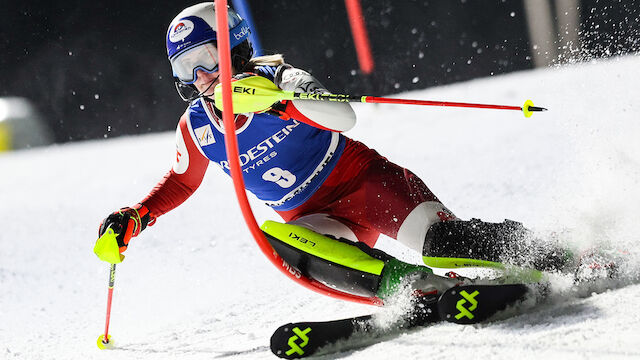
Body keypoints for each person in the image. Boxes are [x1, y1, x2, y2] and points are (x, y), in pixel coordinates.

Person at [96, 2, 573, 301]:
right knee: (278, 238)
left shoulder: (277, 77)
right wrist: (134, 217)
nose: (200, 78)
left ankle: (564, 254)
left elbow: (343, 118)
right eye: (186, 68)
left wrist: (282, 103)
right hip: (316, 219)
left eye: (206, 60)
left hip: (364, 183)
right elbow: (182, 181)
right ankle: (408, 288)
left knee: (444, 245)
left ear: (235, 48)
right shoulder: (197, 127)